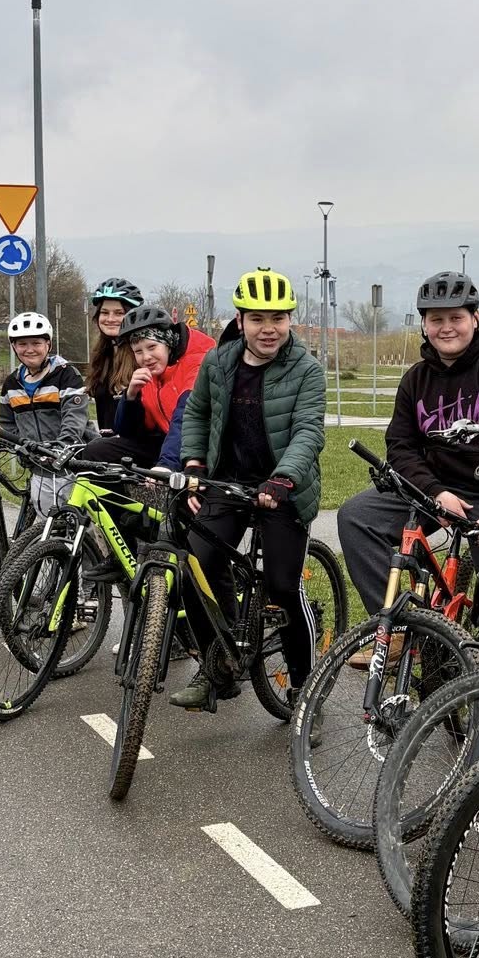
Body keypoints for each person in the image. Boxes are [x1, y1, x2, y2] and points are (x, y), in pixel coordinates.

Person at [159, 268, 325, 715]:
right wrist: (193, 463)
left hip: (283, 489)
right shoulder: (220, 361)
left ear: (291, 319)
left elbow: (308, 432)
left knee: (282, 588)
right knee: (194, 565)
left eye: (277, 318)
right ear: (240, 319)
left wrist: (283, 479)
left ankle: (306, 690)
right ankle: (220, 667)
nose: (268, 328)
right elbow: (196, 414)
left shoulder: (307, 370)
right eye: (257, 319)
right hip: (227, 482)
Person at [337, 271, 479, 624]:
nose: (446, 327)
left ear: (475, 319)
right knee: (356, 518)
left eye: (456, 318)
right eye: (436, 320)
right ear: (424, 325)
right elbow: (400, 448)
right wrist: (434, 492)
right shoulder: (416, 379)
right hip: (437, 490)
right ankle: (402, 626)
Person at [82, 302, 213, 468]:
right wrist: (131, 397)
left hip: (203, 449)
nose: (146, 357)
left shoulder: (197, 363)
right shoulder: (152, 370)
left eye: (152, 347)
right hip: (168, 444)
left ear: (169, 342)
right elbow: (129, 433)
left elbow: (185, 419)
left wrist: (165, 466)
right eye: (138, 351)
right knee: (96, 451)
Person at [0, 311, 89, 514]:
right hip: (40, 465)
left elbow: (74, 418)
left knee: (83, 523)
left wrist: (61, 447)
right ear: (14, 347)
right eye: (22, 344)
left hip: (73, 462)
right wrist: (23, 447)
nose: (29, 349)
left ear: (48, 344)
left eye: (36, 343)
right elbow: (8, 423)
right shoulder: (12, 383)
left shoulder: (66, 374)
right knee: (49, 522)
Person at [85, 278, 144, 434]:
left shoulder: (141, 356)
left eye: (119, 313)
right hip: (106, 447)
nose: (110, 319)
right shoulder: (103, 354)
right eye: (104, 312)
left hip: (133, 448)